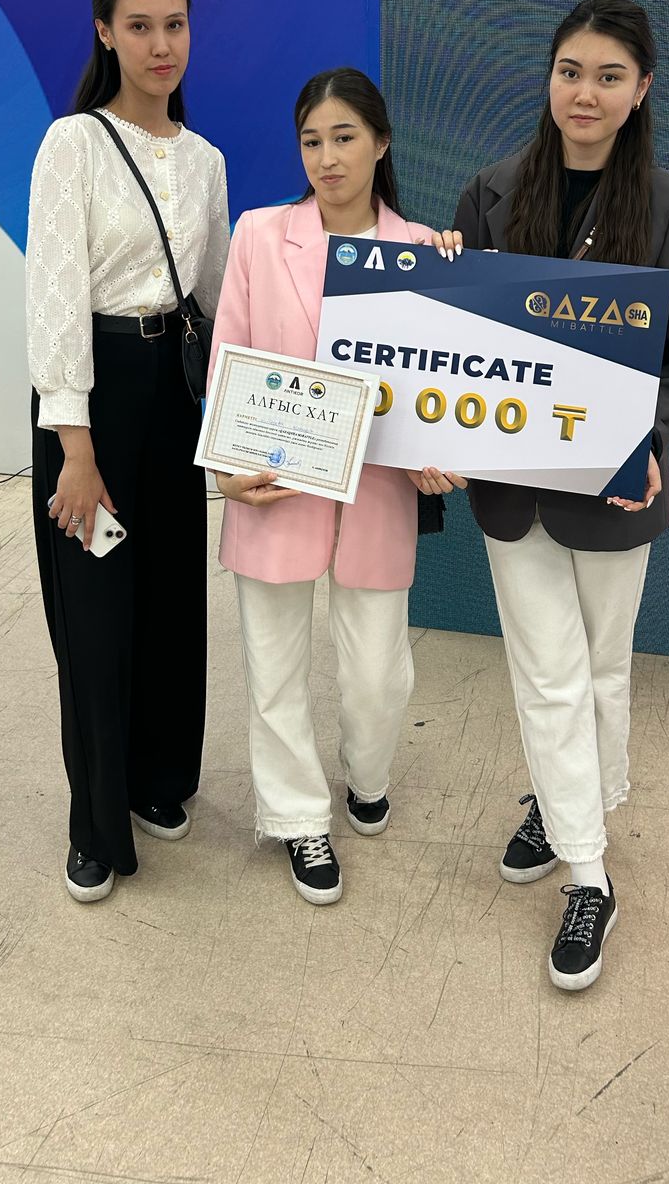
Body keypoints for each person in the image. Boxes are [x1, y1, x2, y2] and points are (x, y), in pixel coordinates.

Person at [447, 0, 669, 988]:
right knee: (549, 674)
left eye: (608, 76)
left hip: (610, 489)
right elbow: (454, 343)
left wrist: (653, 436)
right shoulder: (490, 192)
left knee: (601, 671)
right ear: (548, 78)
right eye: (570, 71)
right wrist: (436, 282)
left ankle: (567, 810)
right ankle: (590, 876)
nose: (584, 93)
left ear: (642, 89)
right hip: (512, 490)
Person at [210, 68, 464, 904]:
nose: (327, 157)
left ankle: (367, 775)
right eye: (312, 141)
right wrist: (226, 465)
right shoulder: (259, 234)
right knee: (274, 666)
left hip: (379, 492)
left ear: (381, 142)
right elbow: (230, 355)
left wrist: (438, 451)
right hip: (275, 484)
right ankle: (297, 819)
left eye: (345, 137)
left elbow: (443, 383)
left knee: (378, 674)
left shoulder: (424, 248)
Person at [26, 0, 229, 903]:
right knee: (97, 612)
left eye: (174, 25)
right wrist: (73, 445)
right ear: (105, 33)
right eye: (140, 26)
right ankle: (96, 826)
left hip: (171, 397)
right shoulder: (72, 143)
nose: (160, 45)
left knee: (170, 595)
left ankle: (158, 780)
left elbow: (222, 300)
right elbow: (53, 295)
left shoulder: (205, 162)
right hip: (92, 405)